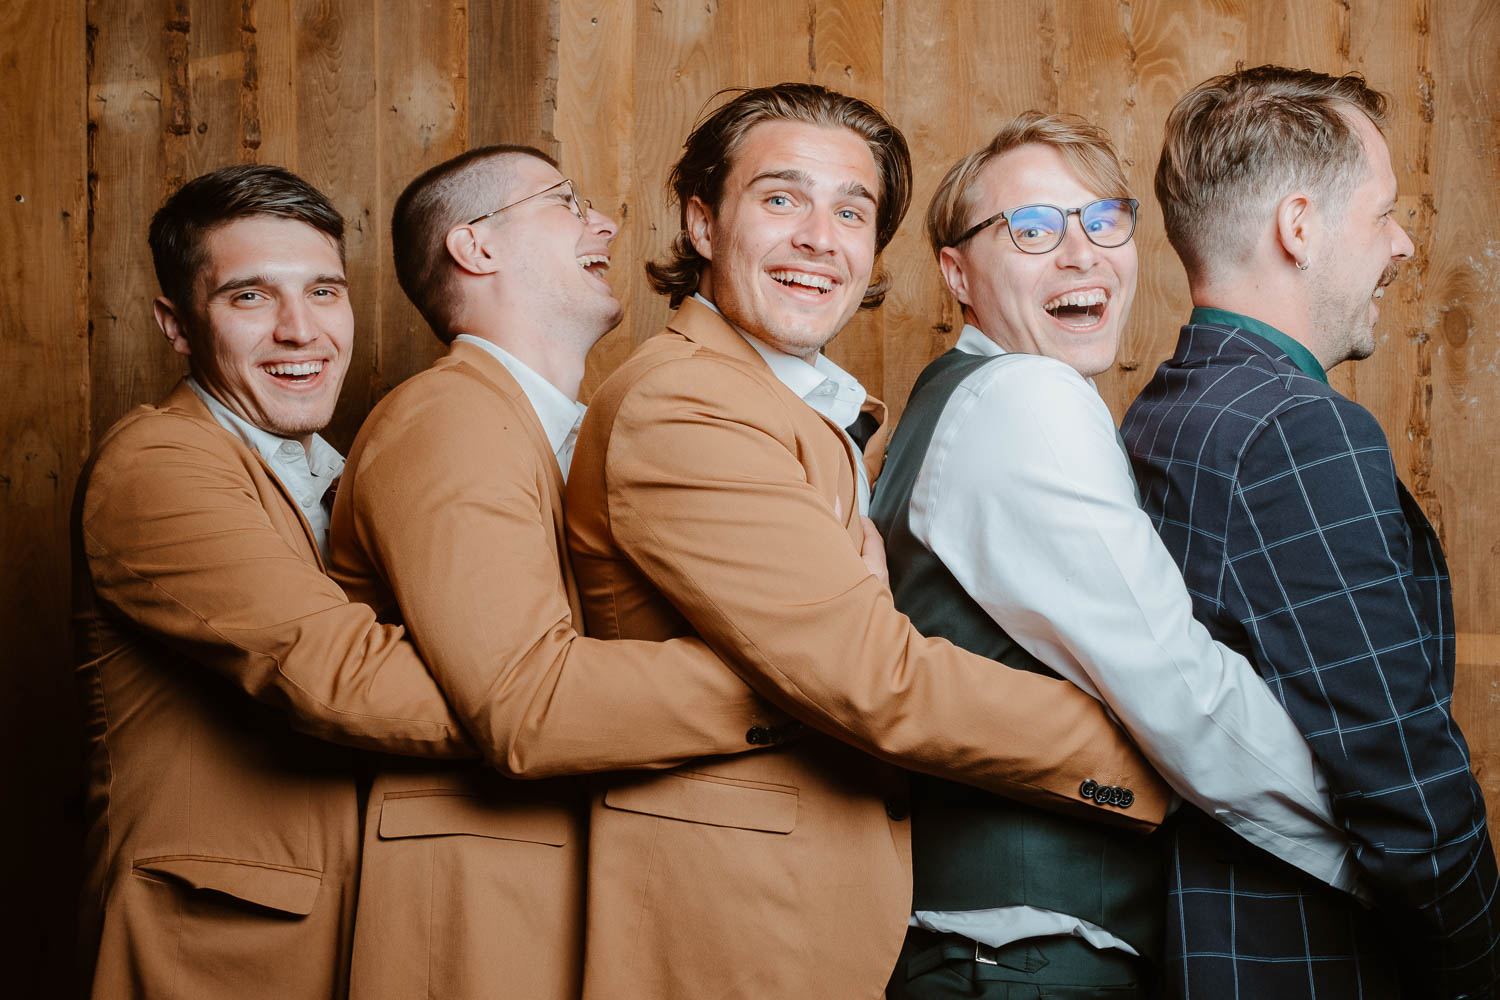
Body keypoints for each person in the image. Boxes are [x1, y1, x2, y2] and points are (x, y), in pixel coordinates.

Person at [564, 82, 1172, 1000]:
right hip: (739, 915)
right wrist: (1161, 757)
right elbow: (873, 676)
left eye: (851, 210)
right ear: (701, 223)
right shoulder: (681, 400)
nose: (820, 236)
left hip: (845, 903)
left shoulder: (816, 410)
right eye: (781, 199)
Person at [867, 110, 1362, 999]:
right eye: (1031, 229)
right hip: (1027, 963)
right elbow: (1180, 693)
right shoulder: (1027, 398)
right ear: (956, 272)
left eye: (1102, 220)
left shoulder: (952, 402)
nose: (1081, 253)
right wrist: (1382, 841)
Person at [326, 144, 785, 1000]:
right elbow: (529, 706)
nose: (604, 222)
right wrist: (805, 679)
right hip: (478, 918)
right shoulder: (450, 418)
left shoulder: (547, 429)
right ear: (476, 247)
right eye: (566, 203)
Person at [1123, 65, 1500, 998]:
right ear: (1298, 227)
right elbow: (1402, 776)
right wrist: (1481, 964)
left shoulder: (1166, 407)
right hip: (1307, 960)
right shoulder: (1293, 429)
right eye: (1383, 214)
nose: (1404, 244)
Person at [70, 164, 475, 998]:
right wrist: (556, 698)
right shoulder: (157, 463)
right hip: (212, 954)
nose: (302, 331)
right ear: (176, 324)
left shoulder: (339, 472)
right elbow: (346, 683)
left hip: (349, 929)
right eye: (250, 297)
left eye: (324, 292)